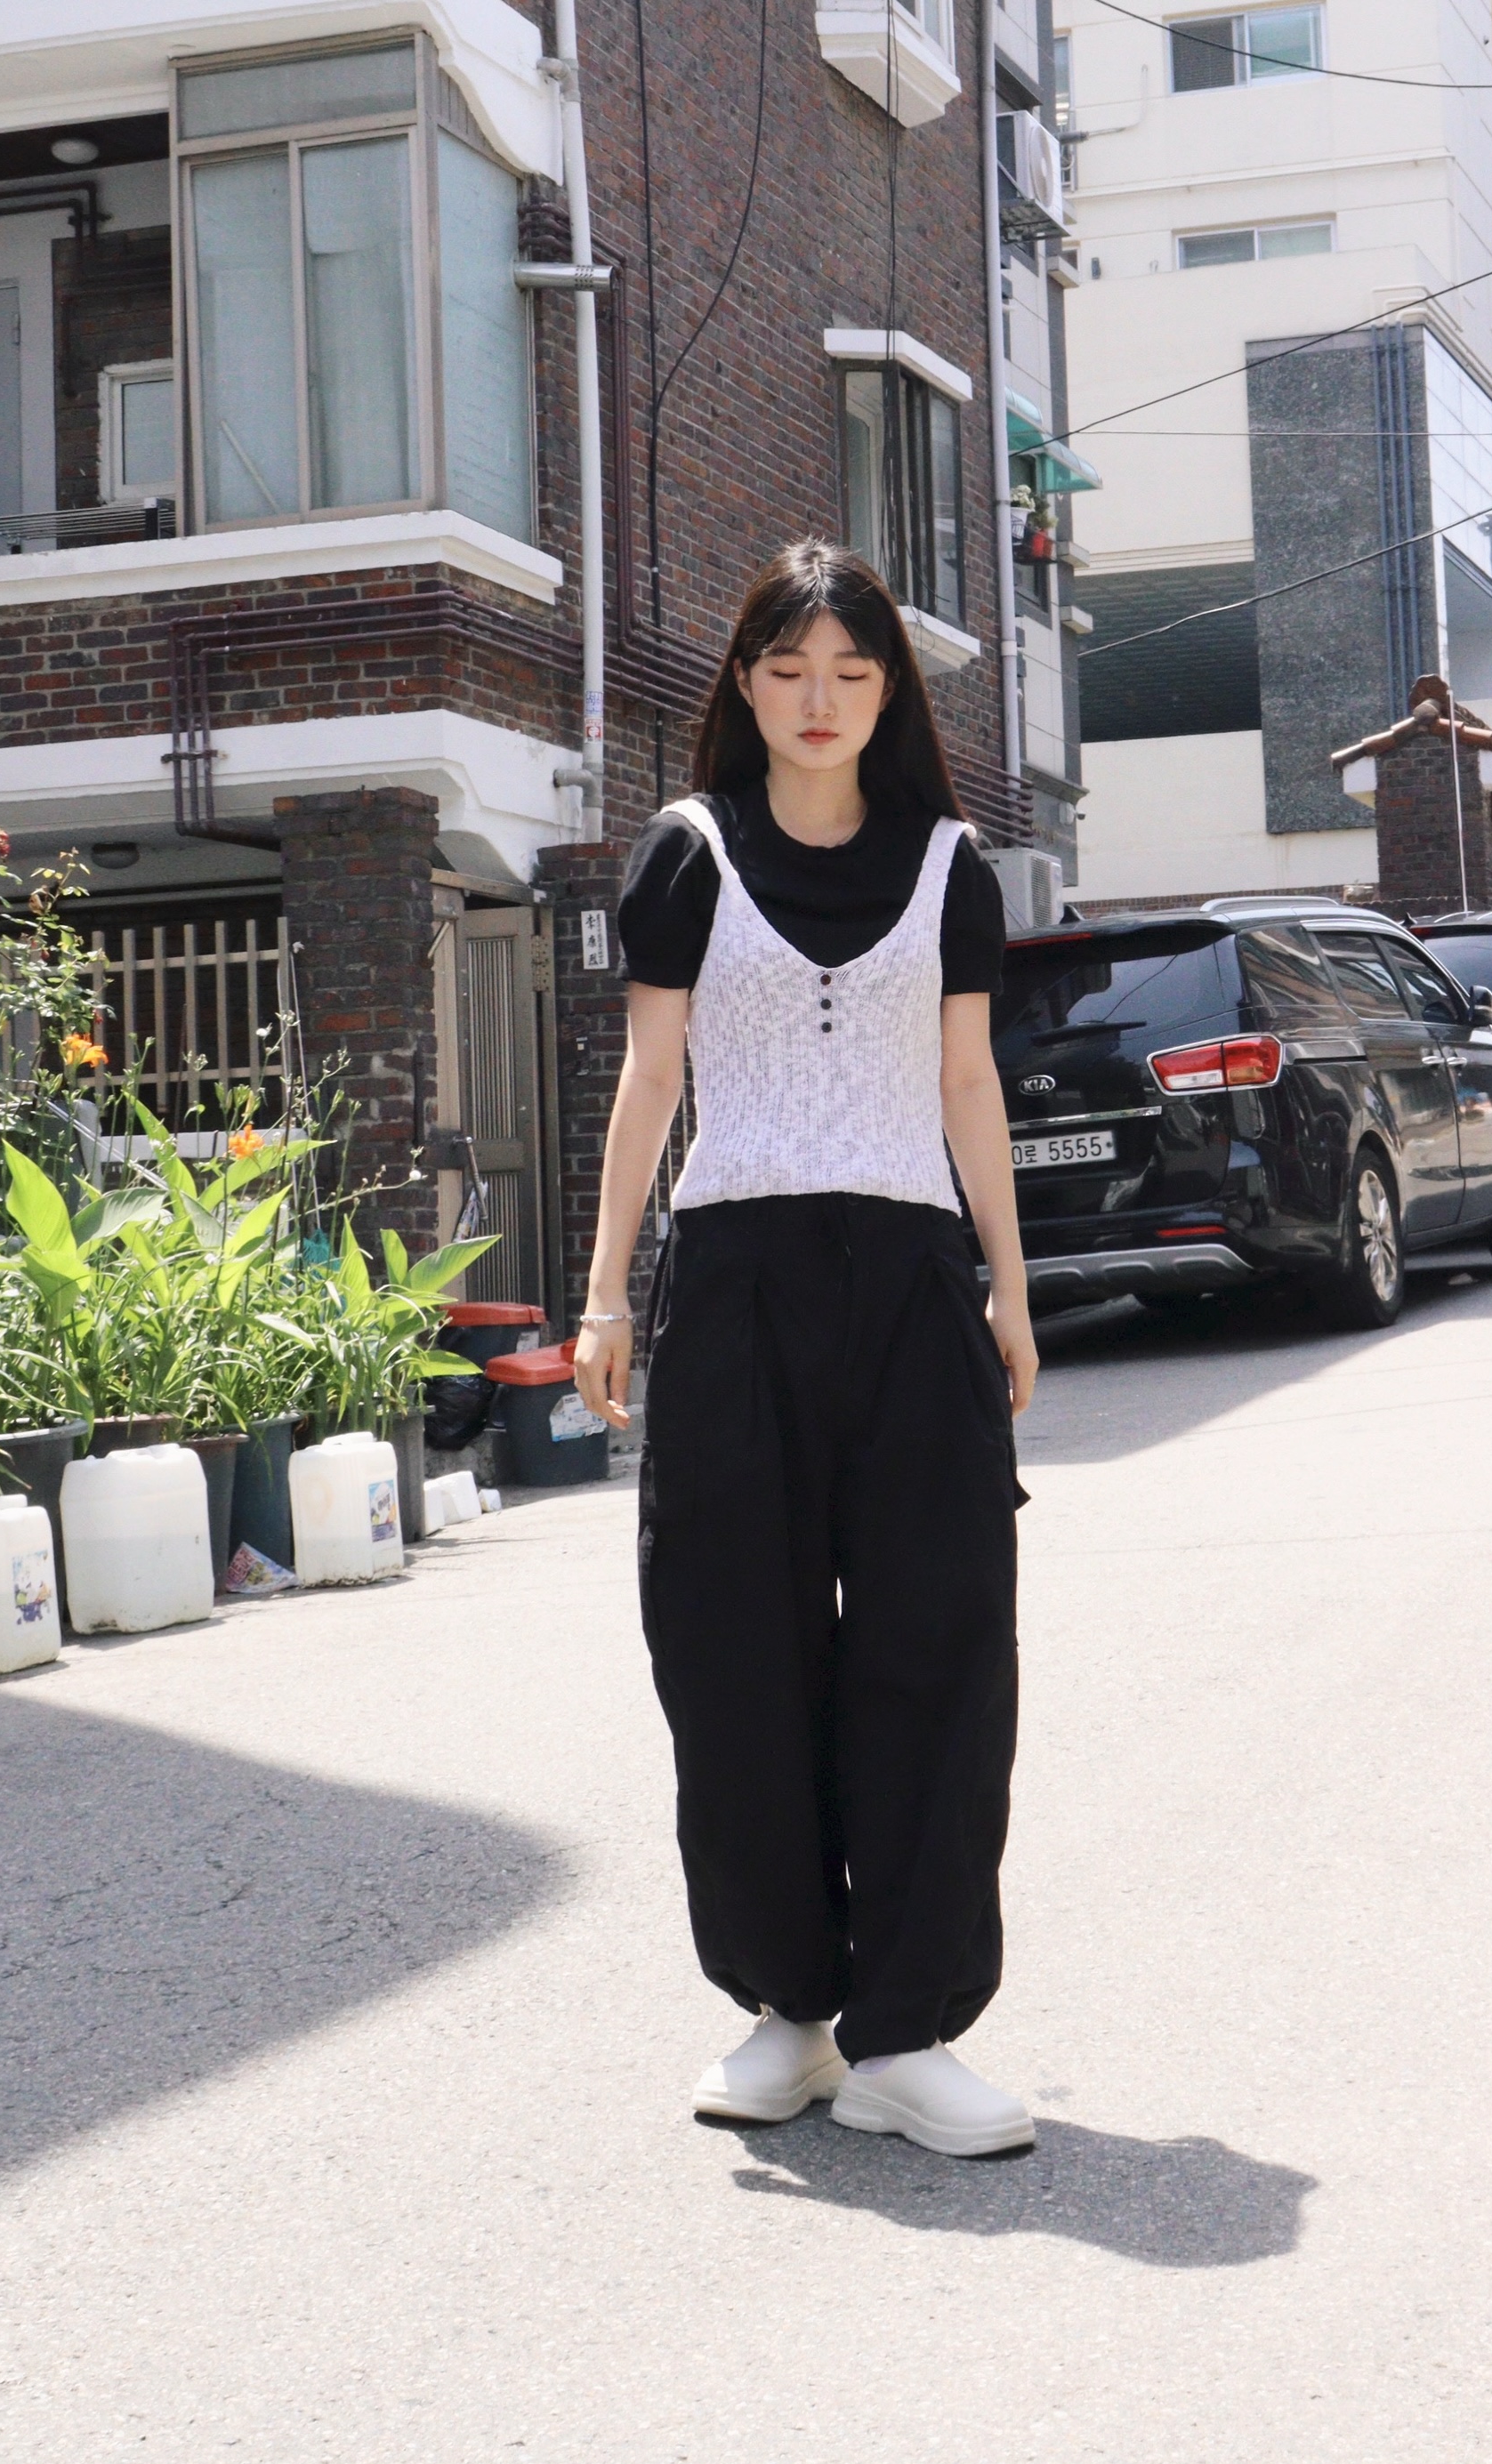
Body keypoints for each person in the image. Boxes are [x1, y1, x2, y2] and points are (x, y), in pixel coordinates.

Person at [573, 538, 1039, 2158]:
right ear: (744, 684)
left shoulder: (950, 866)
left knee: (939, 1639)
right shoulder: (687, 853)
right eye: (787, 671)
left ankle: (906, 2033)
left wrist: (1009, 1287)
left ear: (890, 689)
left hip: (913, 1282)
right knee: (731, 1648)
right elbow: (650, 1082)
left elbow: (967, 1083)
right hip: (737, 1284)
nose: (818, 700)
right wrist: (605, 1293)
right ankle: (788, 2010)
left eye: (849, 671)